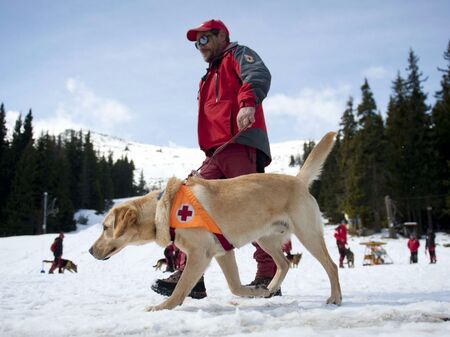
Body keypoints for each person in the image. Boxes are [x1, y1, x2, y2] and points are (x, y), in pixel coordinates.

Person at [151, 19, 275, 299]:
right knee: (188, 206)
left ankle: (268, 274)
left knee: (253, 210)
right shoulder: (207, 76)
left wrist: (247, 104)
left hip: (241, 144)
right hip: (215, 153)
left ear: (221, 36)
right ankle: (190, 276)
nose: (199, 47)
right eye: (196, 43)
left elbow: (257, 74)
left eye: (204, 40)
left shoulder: (238, 55)